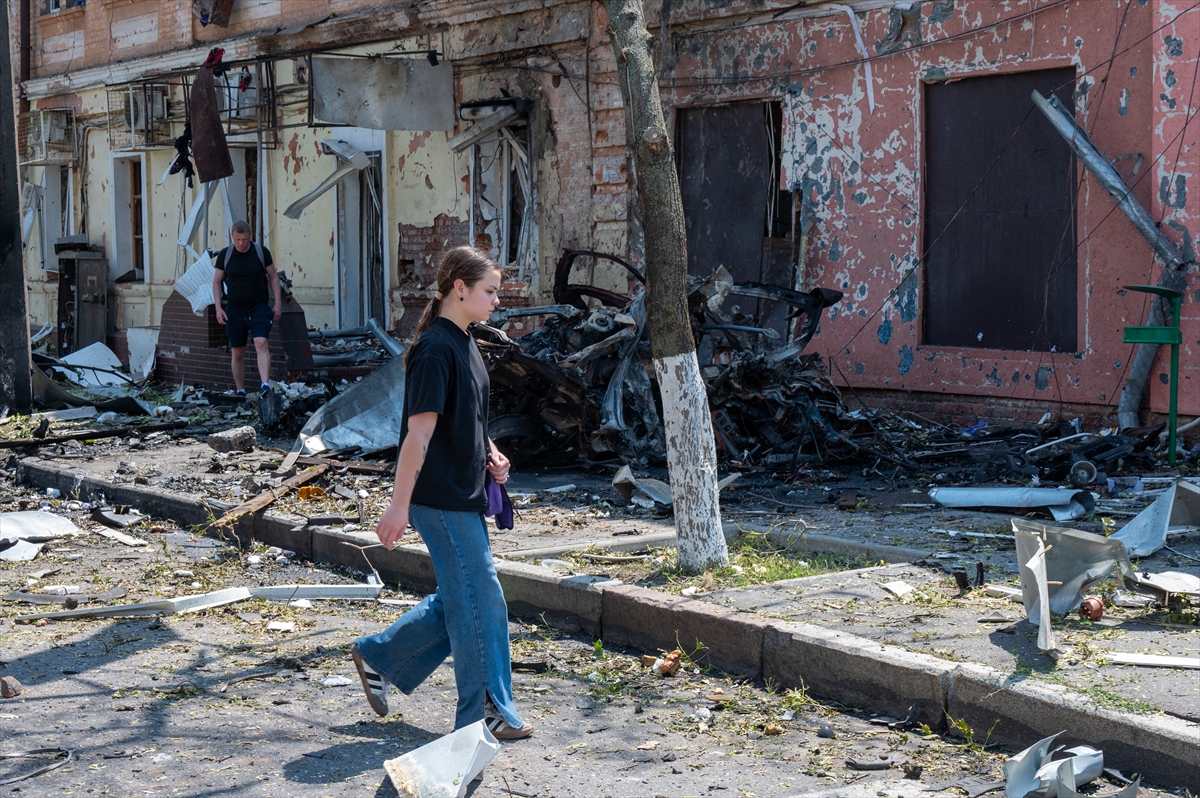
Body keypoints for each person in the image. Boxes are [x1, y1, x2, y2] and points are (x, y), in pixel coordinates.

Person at [350, 246, 532, 740]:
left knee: (462, 596)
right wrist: (398, 506)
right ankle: (484, 712)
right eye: (490, 291)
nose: (497, 300)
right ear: (460, 288)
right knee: (483, 597)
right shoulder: (435, 348)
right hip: (438, 498)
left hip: (463, 492)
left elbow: (468, 417)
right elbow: (417, 436)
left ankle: (380, 655)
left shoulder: (467, 342)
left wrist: (492, 453)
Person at [211, 221, 282, 397]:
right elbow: (216, 281)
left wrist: (278, 303)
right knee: (237, 352)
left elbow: (273, 277)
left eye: (245, 239)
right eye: (238, 240)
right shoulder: (226, 255)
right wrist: (218, 308)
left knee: (261, 342)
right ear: (232, 237)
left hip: (258, 306)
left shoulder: (260, 252)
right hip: (235, 308)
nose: (242, 243)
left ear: (250, 236)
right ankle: (240, 390)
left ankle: (265, 385)